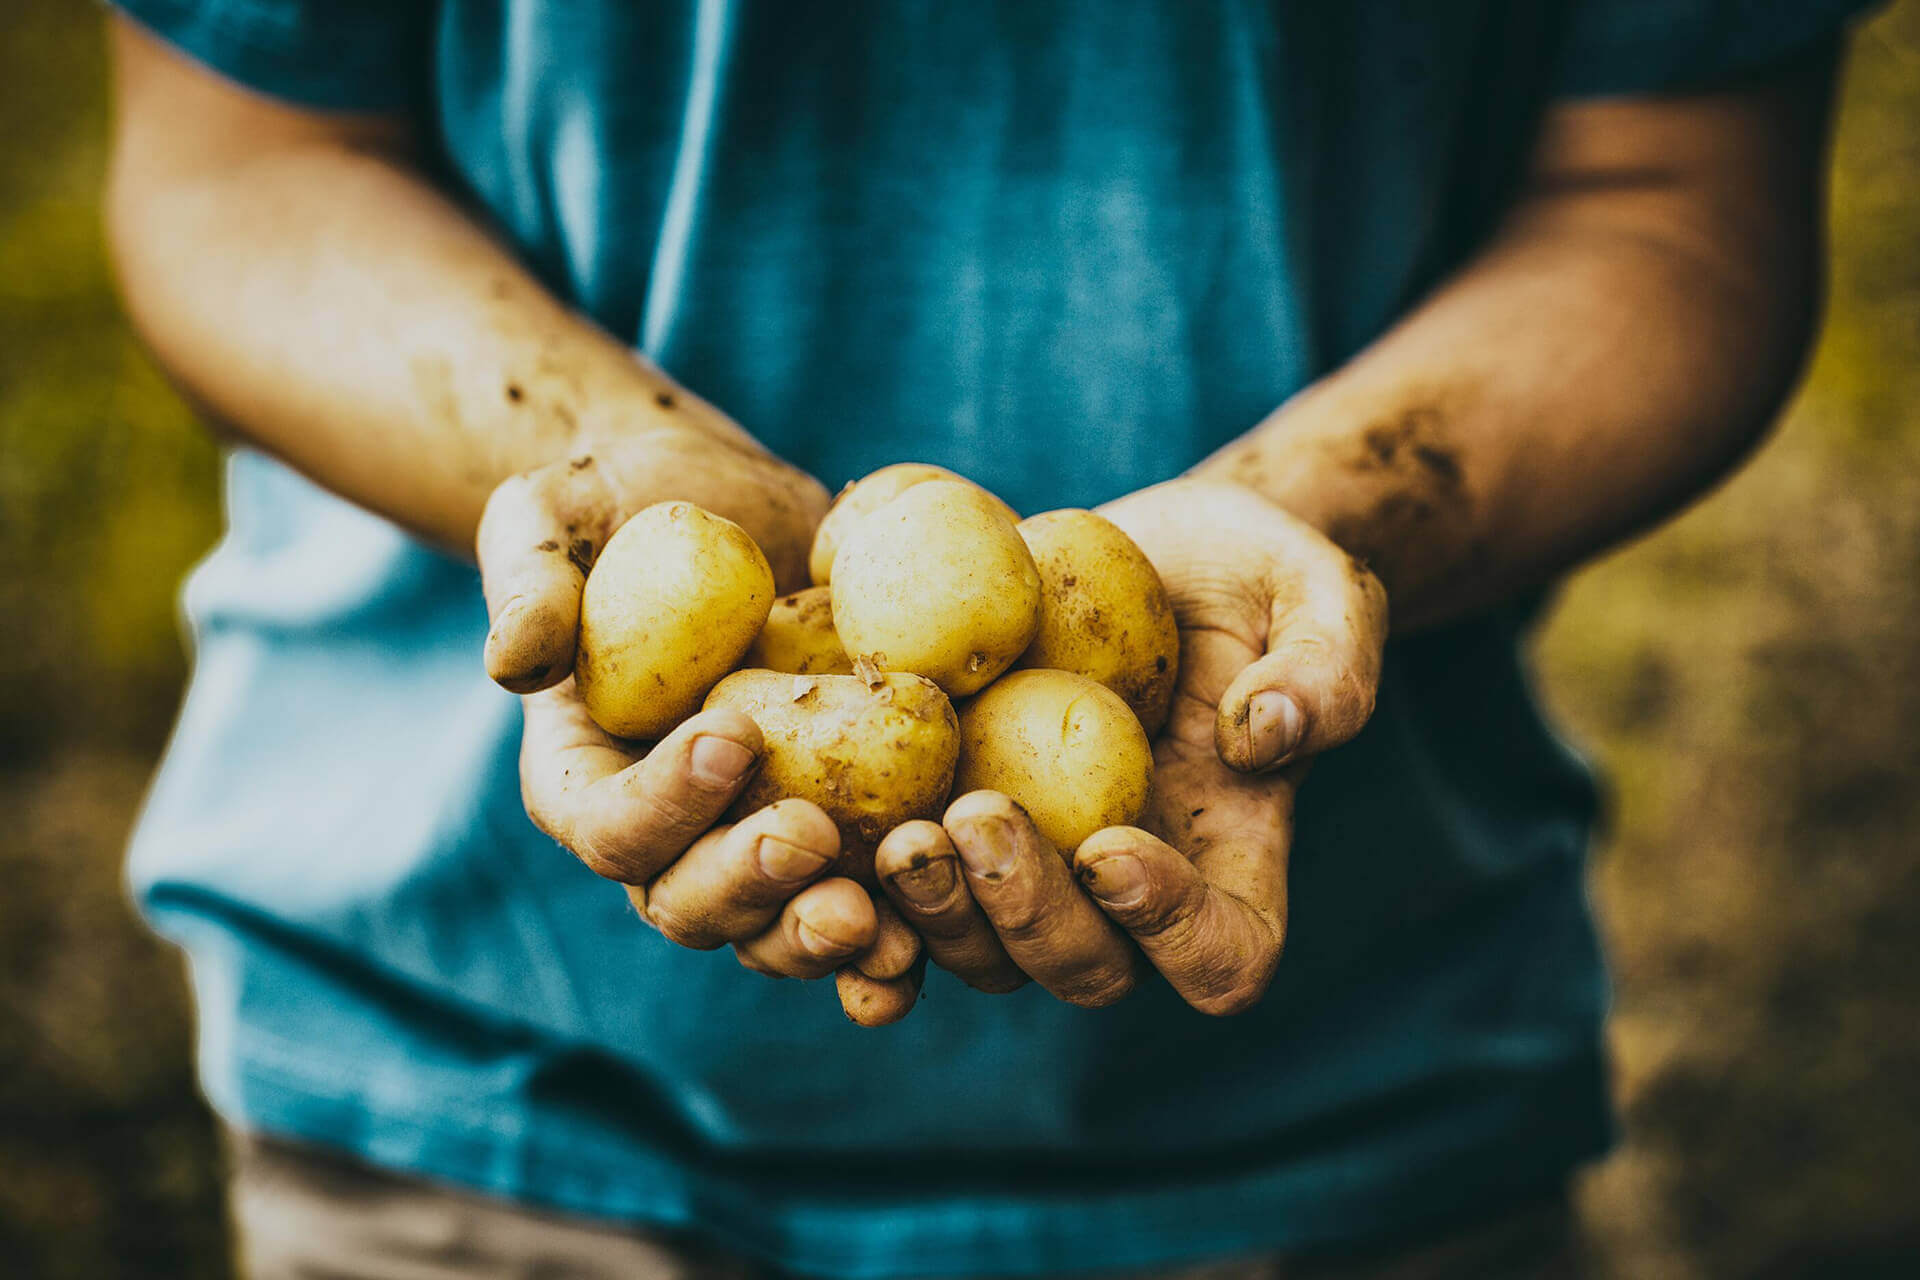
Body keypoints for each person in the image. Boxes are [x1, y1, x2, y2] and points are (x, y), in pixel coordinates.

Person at [104, 2, 1871, 1276]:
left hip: (1347, 1119)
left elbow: (1668, 189)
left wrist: (1328, 514)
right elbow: (245, 155)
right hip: (468, 1077)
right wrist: (576, 455)